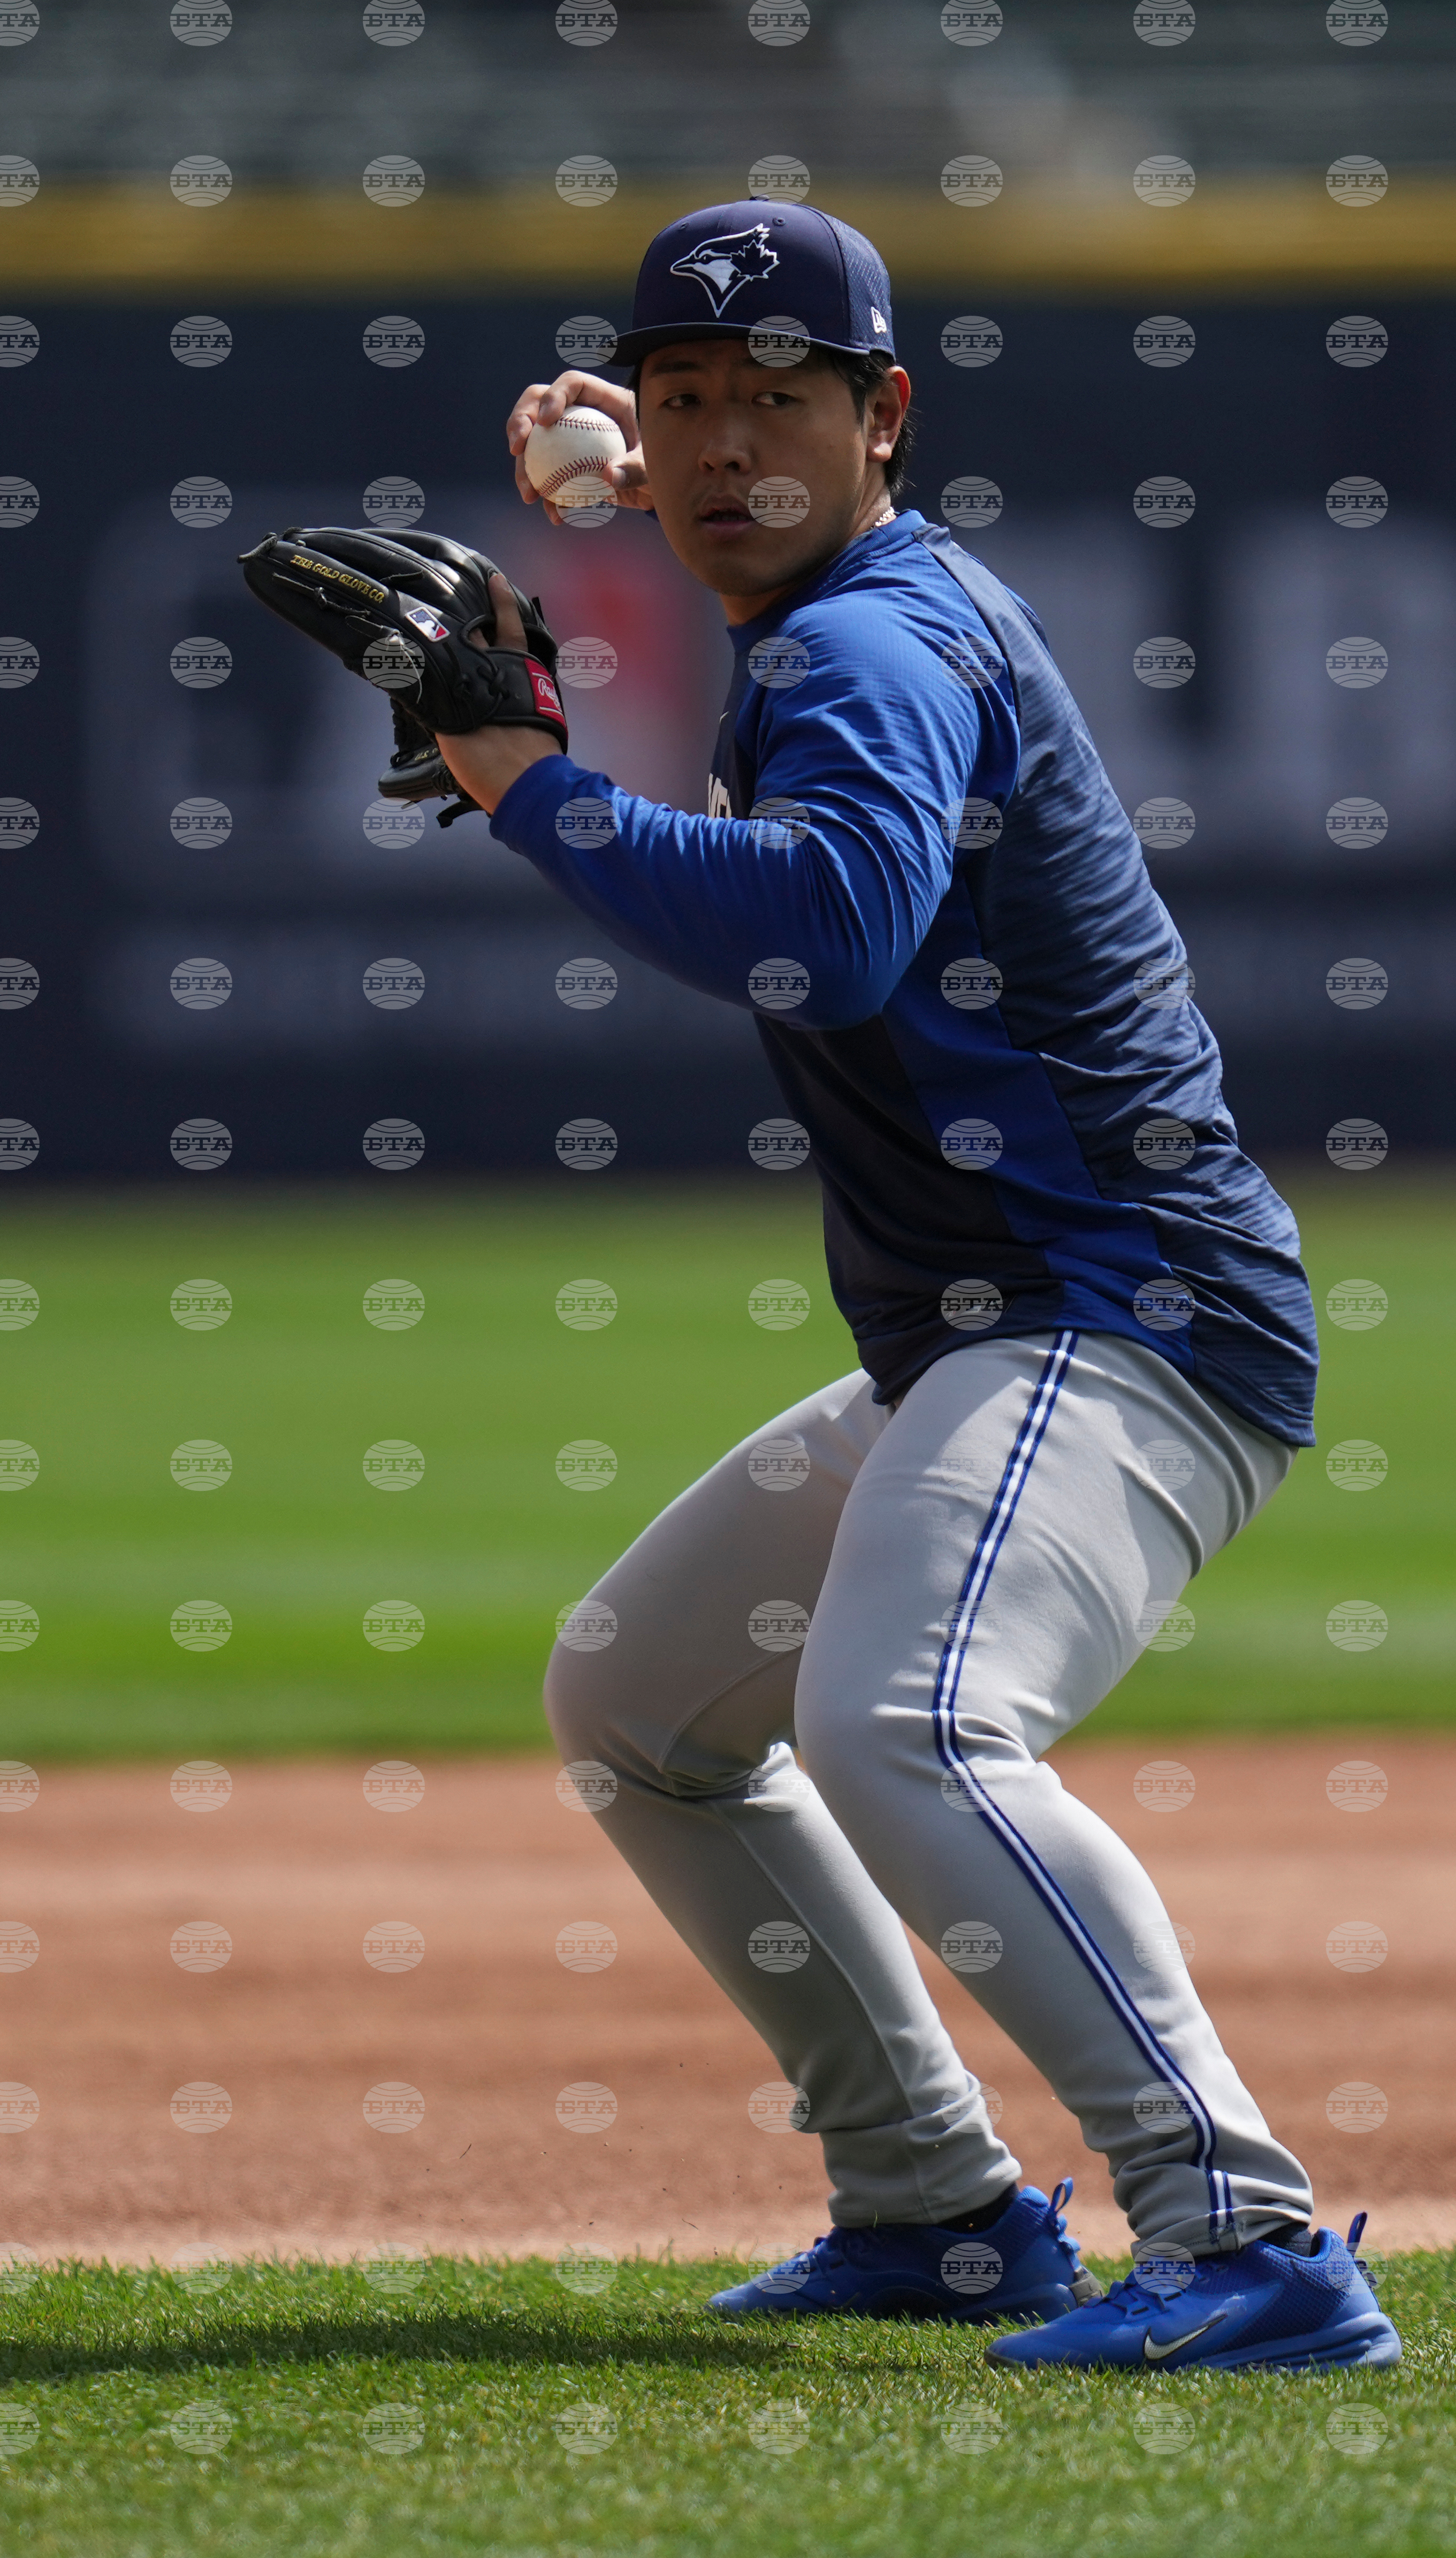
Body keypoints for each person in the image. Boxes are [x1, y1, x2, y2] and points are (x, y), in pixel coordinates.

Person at [426, 200, 1398, 2374]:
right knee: (643, 1704)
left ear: (886, 421)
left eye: (780, 400)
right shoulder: (841, 591)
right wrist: (627, 458)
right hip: (1001, 1327)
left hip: (1119, 1313)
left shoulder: (875, 641)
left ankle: (1245, 2236)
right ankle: (938, 2203)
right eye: (682, 401)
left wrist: (523, 780)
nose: (720, 446)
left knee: (911, 1721)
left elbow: (829, 933)